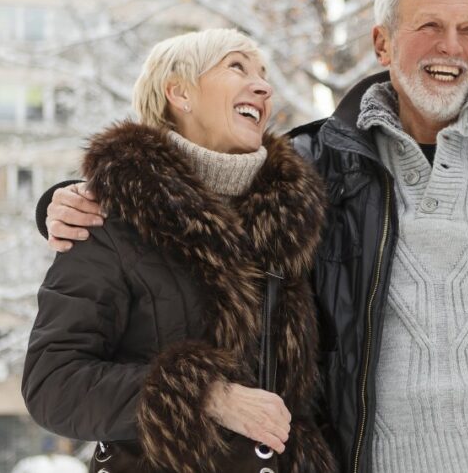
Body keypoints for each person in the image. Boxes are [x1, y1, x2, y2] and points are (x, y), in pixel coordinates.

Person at [39, 0, 468, 473]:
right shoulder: (313, 165)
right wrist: (65, 199)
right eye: (430, 27)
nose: (453, 47)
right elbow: (193, 184)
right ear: (382, 42)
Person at [22, 29, 337, 473]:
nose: (264, 85)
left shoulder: (291, 224)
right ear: (180, 93)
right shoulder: (108, 221)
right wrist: (205, 395)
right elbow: (52, 385)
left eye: (264, 74)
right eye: (237, 67)